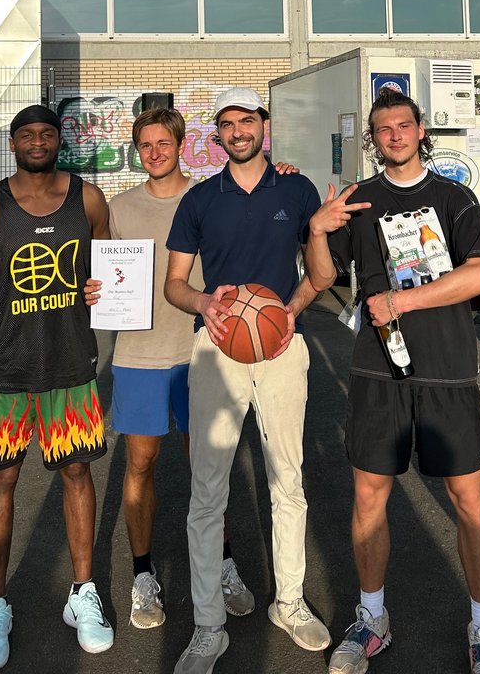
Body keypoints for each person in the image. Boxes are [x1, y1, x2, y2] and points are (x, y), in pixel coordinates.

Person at [304, 87, 480, 674]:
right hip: (376, 369)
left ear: (421, 131)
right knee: (370, 494)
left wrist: (403, 300)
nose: (394, 135)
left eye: (403, 125)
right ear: (373, 139)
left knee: (468, 500)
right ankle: (372, 618)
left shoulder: (454, 197)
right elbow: (323, 278)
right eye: (383, 128)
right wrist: (317, 230)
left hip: (446, 370)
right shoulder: (359, 200)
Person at [86, 107, 276, 629]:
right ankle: (143, 575)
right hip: (138, 356)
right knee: (141, 465)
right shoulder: (119, 210)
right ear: (137, 151)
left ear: (181, 144)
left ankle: (224, 563)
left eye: (163, 143)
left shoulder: (210, 198)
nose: (155, 153)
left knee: (207, 469)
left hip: (200, 352)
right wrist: (94, 289)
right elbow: (101, 273)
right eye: (145, 145)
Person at [164, 87, 330, 674]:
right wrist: (203, 303)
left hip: (282, 348)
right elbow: (174, 283)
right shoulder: (199, 199)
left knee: (288, 479)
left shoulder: (297, 189)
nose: (238, 131)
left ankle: (290, 602)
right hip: (217, 348)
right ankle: (208, 625)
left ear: (264, 125)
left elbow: (322, 271)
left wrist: (291, 309)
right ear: (217, 134)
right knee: (208, 490)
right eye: (227, 124)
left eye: (247, 121)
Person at [0, 105, 114, 672]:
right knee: (1, 480)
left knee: (77, 473)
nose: (37, 141)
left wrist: (99, 292)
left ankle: (82, 593)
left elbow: (107, 266)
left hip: (71, 366)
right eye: (26, 134)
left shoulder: (88, 199)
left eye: (47, 133)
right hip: (6, 374)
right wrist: (9, 337)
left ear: (58, 140)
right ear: (12, 143)